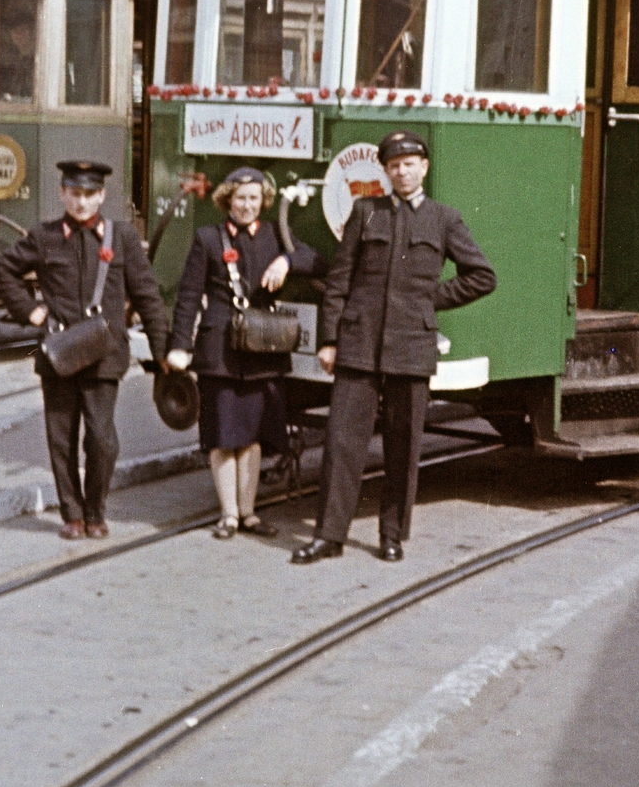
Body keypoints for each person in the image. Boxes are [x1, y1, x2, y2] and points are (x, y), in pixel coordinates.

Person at [295, 130, 497, 567]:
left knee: (403, 447)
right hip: (359, 343)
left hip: (410, 346)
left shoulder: (445, 219)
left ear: (424, 168)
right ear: (384, 171)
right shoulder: (366, 213)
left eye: (410, 164)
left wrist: (430, 301)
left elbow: (483, 275)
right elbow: (339, 282)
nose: (402, 172)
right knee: (342, 444)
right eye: (394, 165)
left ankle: (392, 535)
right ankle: (329, 535)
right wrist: (329, 339)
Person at [0, 160, 169, 541]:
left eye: (90, 194)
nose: (82, 201)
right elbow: (1, 269)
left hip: (104, 355)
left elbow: (148, 296)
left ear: (102, 196)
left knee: (103, 441)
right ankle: (72, 514)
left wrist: (162, 349)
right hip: (60, 353)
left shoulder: (121, 238)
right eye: (75, 193)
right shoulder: (45, 236)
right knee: (61, 438)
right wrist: (32, 311)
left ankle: (95, 510)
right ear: (63, 194)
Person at [166, 166, 326, 540]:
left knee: (252, 436)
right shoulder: (208, 238)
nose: (247, 205)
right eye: (240, 198)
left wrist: (287, 261)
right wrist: (179, 346)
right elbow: (188, 297)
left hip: (262, 351)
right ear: (227, 200)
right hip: (219, 351)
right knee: (224, 437)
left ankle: (249, 512)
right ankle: (228, 514)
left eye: (254, 199)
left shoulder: (274, 236)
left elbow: (318, 262)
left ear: (263, 202)